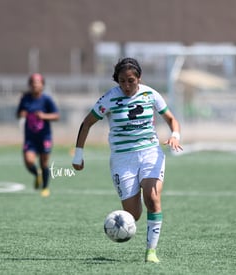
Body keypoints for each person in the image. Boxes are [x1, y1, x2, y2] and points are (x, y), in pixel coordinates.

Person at [72, 58, 183, 263]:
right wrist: (78, 154)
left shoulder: (150, 94)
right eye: (122, 81)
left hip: (150, 152)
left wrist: (175, 135)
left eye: (130, 80)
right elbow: (87, 124)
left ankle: (151, 252)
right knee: (133, 215)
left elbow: (171, 119)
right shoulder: (109, 99)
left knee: (152, 198)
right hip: (122, 159)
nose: (126, 86)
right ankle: (135, 197)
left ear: (139, 78)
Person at [16, 73, 60, 197]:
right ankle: (37, 174)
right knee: (28, 161)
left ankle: (45, 187)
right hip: (30, 138)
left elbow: (56, 116)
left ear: (42, 85)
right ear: (30, 85)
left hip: (44, 137)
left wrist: (44, 116)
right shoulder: (25, 99)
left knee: (44, 163)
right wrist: (22, 114)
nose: (35, 84)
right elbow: (18, 113)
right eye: (33, 82)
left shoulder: (47, 100)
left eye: (38, 82)